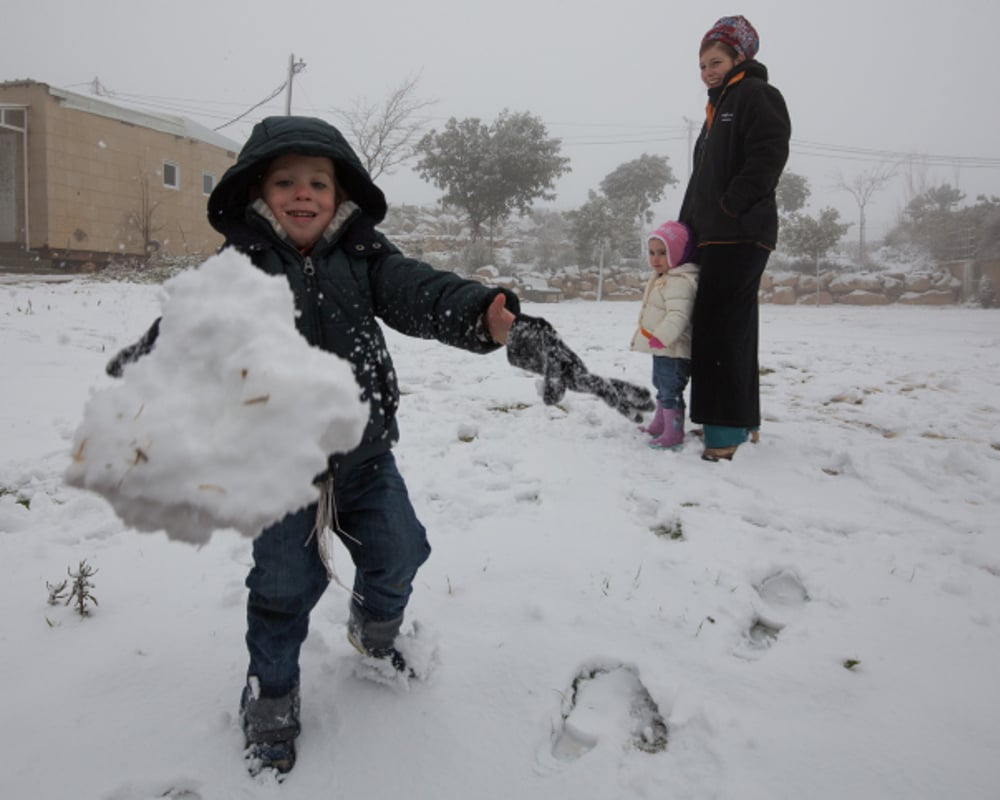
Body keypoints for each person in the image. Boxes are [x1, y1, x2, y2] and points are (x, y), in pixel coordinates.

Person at [105, 115, 652, 778]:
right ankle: (271, 696)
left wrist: (491, 316)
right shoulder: (237, 269)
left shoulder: (364, 259)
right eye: (285, 181)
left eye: (318, 182)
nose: (302, 193)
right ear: (257, 191)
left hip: (363, 459)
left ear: (342, 195)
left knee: (401, 550)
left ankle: (375, 630)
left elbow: (424, 292)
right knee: (282, 589)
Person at [678, 15, 791, 461]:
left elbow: (769, 152)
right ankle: (742, 421)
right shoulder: (715, 111)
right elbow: (700, 181)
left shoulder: (755, 95)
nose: (708, 70)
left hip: (740, 233)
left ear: (740, 57)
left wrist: (732, 204)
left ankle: (722, 435)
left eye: (716, 61)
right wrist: (685, 228)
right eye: (702, 64)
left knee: (717, 326)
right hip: (715, 236)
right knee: (733, 325)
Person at [630, 220, 699, 450]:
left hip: (674, 348)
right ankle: (660, 424)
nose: (655, 258)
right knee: (661, 385)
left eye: (662, 253)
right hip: (662, 347)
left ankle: (674, 432)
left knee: (670, 389)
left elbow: (678, 315)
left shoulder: (680, 282)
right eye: (651, 253)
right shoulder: (663, 278)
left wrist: (662, 336)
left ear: (678, 253)